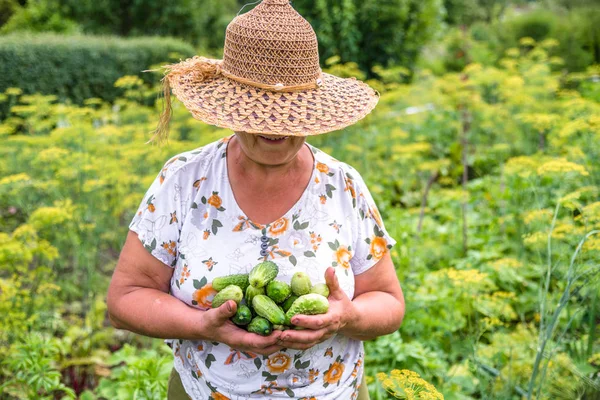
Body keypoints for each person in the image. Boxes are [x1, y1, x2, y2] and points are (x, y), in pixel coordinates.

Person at [106, 0, 405, 399]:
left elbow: (388, 302)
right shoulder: (184, 181)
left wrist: (347, 316)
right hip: (206, 391)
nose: (276, 127)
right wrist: (201, 325)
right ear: (230, 106)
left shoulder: (342, 184)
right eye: (259, 112)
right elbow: (124, 299)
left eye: (292, 112)